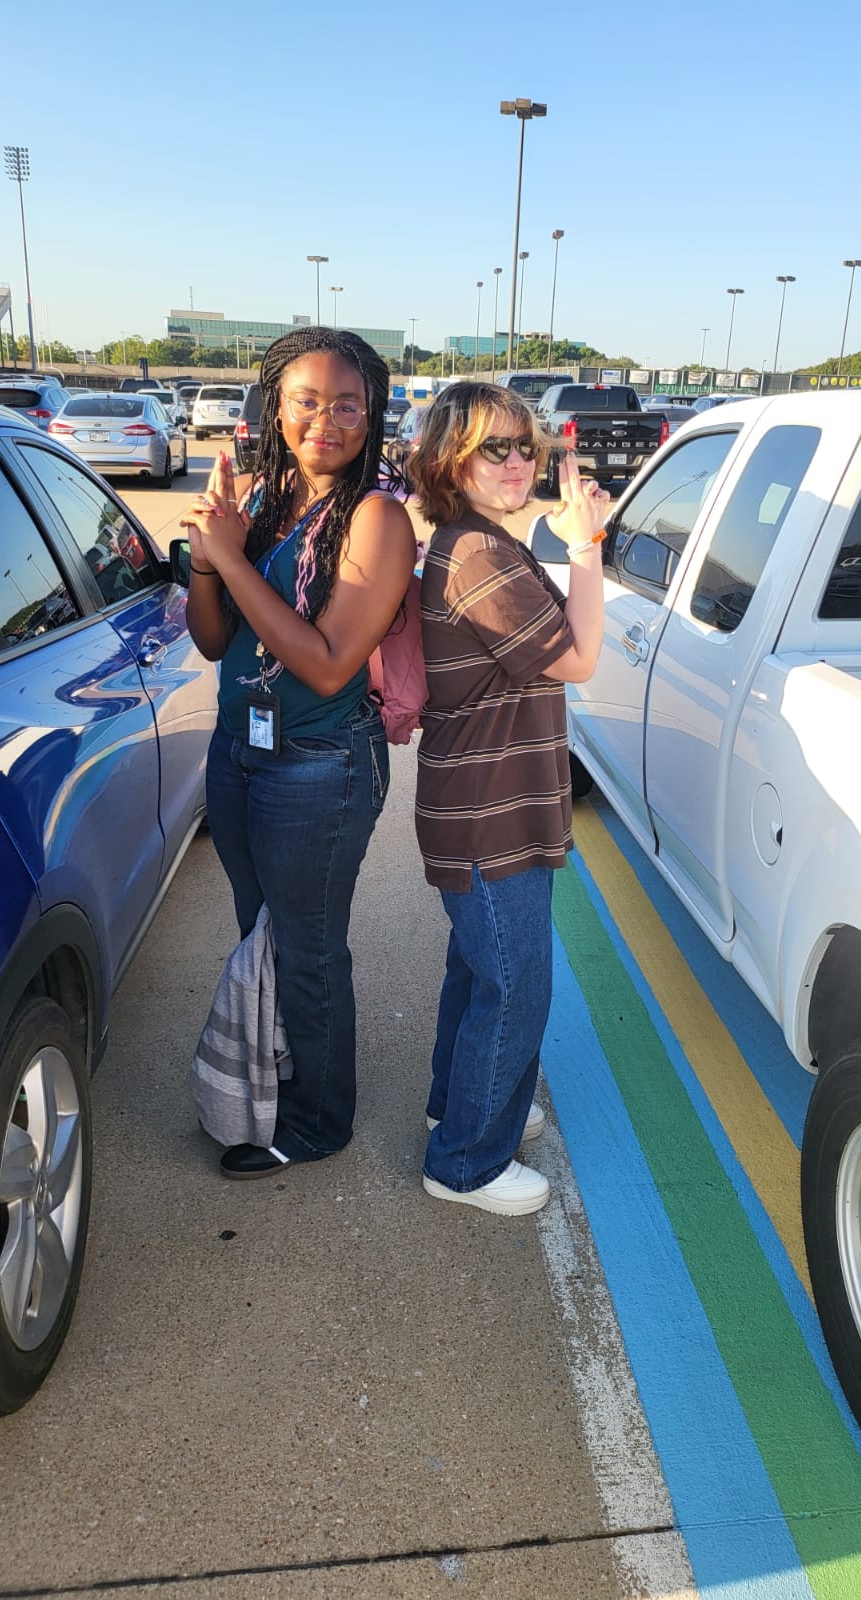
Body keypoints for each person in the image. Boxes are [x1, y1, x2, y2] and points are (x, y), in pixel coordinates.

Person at [180, 327, 416, 1179]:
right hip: (239, 751)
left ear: (373, 416)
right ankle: (275, 1070)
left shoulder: (377, 518)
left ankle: (320, 1120)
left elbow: (323, 665)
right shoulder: (270, 503)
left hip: (319, 767)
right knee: (262, 932)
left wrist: (231, 559)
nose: (327, 419)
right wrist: (211, 560)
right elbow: (213, 643)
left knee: (310, 949)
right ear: (275, 409)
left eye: (348, 404)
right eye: (307, 401)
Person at [409, 383, 608, 1216]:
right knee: (517, 983)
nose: (517, 461)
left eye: (524, 445)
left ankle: (458, 1104)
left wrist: (562, 542)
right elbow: (577, 658)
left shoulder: (489, 543)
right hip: (489, 808)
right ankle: (464, 1163)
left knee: (479, 969)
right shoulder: (479, 555)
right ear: (452, 459)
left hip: (491, 801)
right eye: (495, 448)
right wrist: (588, 547)